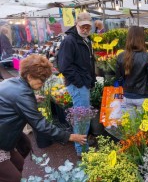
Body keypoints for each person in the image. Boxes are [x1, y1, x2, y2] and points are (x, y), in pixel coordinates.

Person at [0, 54, 87, 182]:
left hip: (5, 132)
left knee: (23, 149)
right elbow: (41, 125)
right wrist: (70, 137)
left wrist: (33, 99)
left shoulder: (14, 82)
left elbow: (12, 99)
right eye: (41, 81)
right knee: (13, 177)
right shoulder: (23, 94)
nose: (42, 84)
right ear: (29, 76)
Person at [58, 12, 96, 156]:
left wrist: (90, 81)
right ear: (76, 25)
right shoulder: (69, 41)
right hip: (78, 84)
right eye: (83, 26)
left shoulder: (85, 39)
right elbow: (64, 66)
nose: (85, 29)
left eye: (88, 26)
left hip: (83, 82)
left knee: (83, 116)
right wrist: (80, 83)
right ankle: (81, 150)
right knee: (82, 117)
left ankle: (83, 143)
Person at [115, 26, 148, 118]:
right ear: (141, 38)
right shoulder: (146, 56)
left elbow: (118, 78)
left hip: (127, 96)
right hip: (143, 96)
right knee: (143, 127)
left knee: (130, 126)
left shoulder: (121, 56)